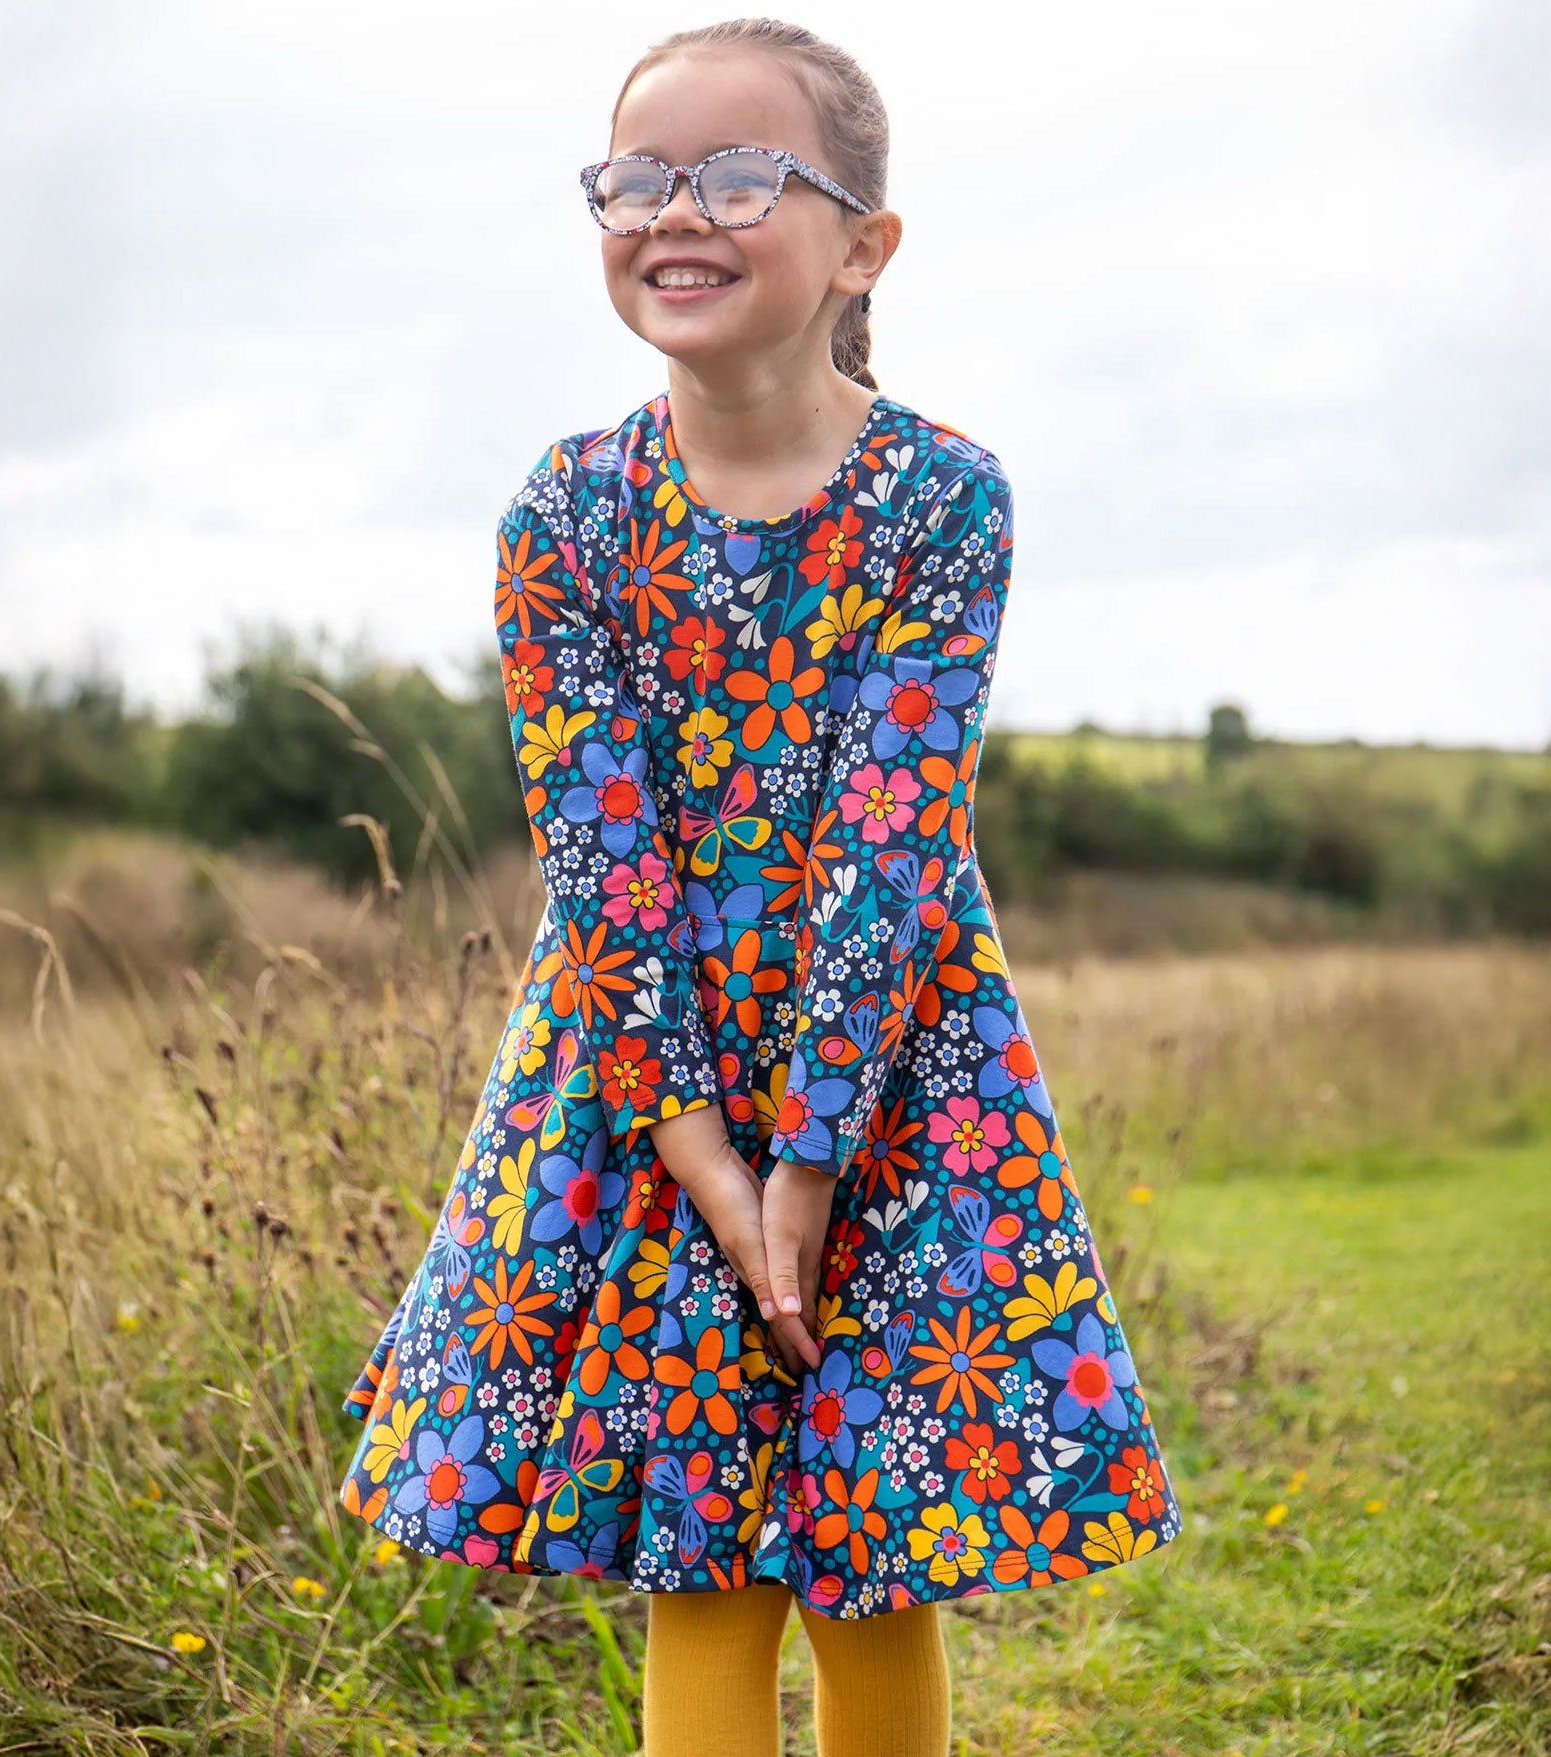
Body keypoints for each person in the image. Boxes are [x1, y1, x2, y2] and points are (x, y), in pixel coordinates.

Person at [338, 17, 1184, 1755]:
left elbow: (891, 833)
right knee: (698, 1556)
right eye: (636, 179)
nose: (675, 211)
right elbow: (602, 856)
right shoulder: (565, 512)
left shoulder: (939, 496)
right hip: (641, 1081)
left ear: (862, 246)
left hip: (897, 1079)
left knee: (879, 1550)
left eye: (736, 176)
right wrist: (705, 1153)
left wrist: (807, 1151)